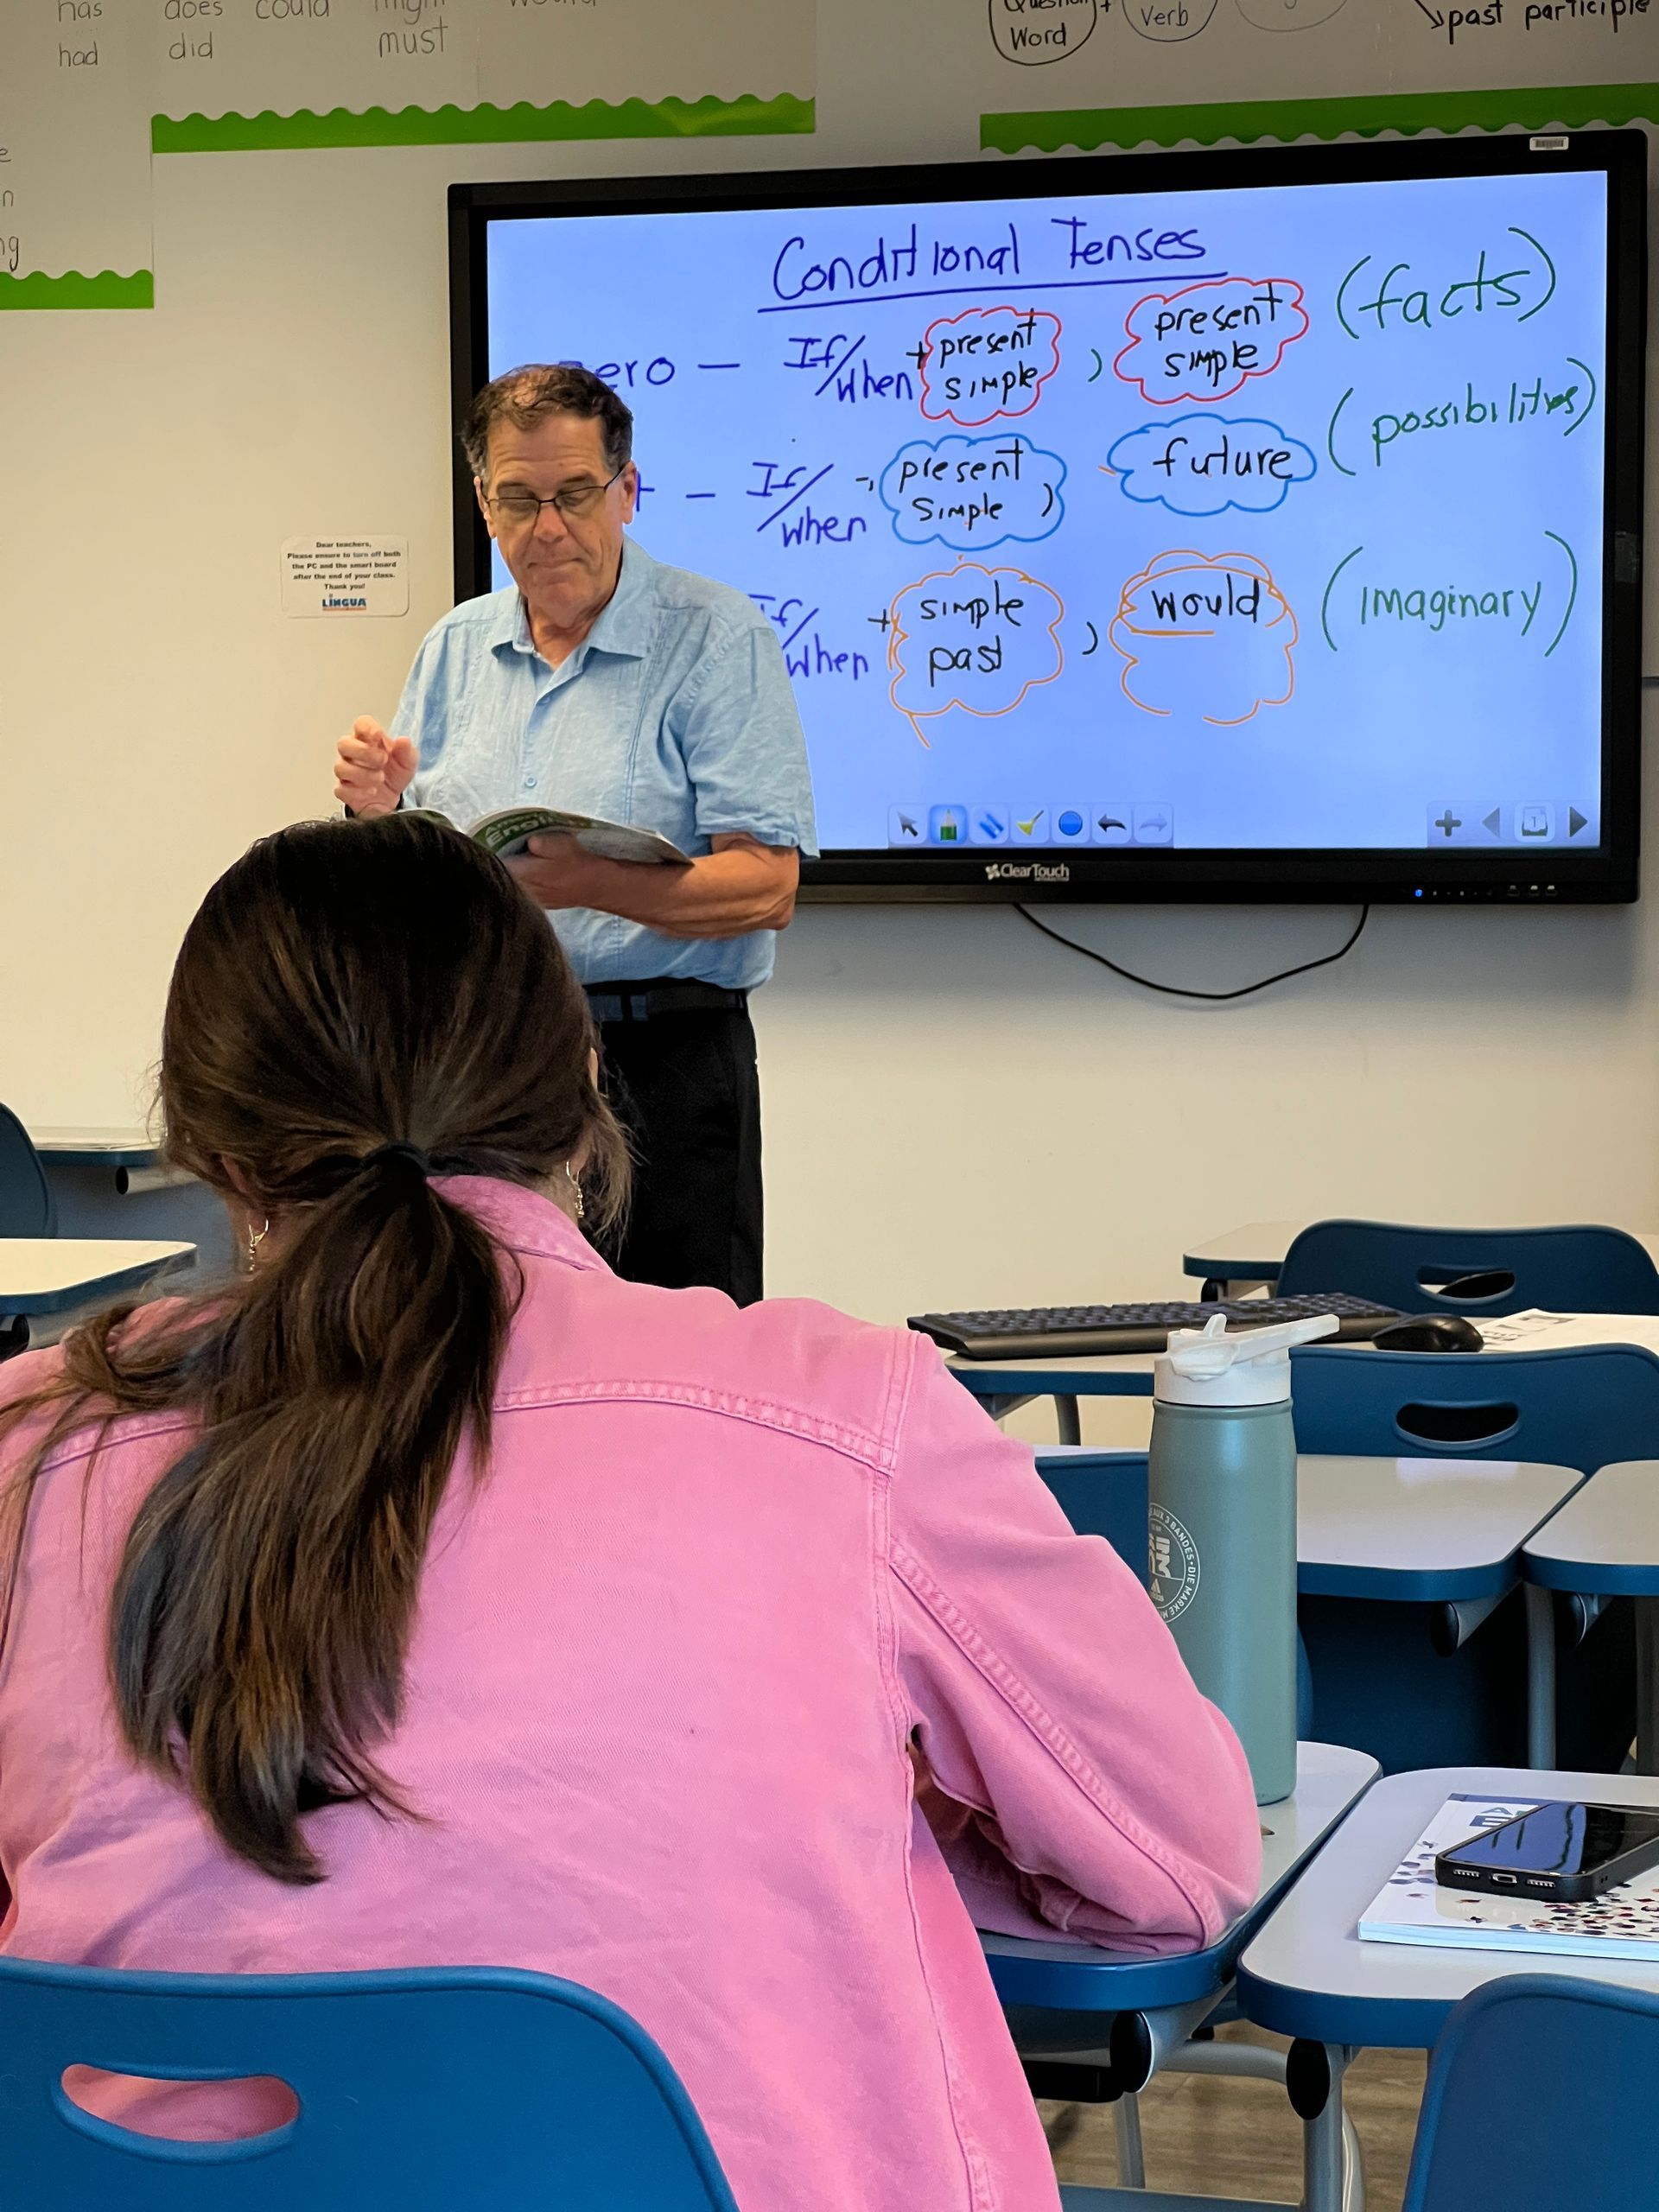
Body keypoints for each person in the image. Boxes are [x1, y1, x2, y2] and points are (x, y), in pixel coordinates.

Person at [0, 816, 1259, 2212]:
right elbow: (1180, 1861)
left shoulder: (29, 1457)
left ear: (210, 1147)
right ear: (584, 1088)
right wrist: (853, 1835)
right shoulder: (844, 1424)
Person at [334, 363, 815, 1307]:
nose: (546, 526)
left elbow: (768, 887)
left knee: (675, 1356)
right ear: (485, 504)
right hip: (481, 1064)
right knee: (483, 1350)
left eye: (573, 495)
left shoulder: (715, 639)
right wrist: (376, 815)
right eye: (519, 498)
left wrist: (592, 880)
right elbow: (404, 891)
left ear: (626, 493)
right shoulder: (453, 648)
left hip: (661, 1068)